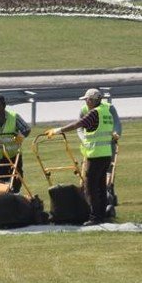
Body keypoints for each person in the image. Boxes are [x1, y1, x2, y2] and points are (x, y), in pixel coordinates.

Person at [45, 88, 120, 226]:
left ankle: (94, 217)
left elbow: (77, 124)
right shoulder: (105, 112)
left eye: (87, 100)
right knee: (101, 187)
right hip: (106, 154)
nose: (86, 102)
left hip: (95, 154)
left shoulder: (94, 113)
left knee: (90, 187)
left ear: (92, 100)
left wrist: (57, 130)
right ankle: (102, 215)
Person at [0, 93, 30, 193]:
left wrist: (21, 136)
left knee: (17, 176)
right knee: (1, 180)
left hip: (13, 153)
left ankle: (16, 194)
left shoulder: (14, 116)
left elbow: (27, 129)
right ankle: (5, 198)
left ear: (4, 105)